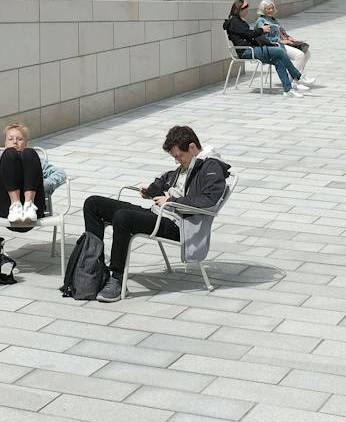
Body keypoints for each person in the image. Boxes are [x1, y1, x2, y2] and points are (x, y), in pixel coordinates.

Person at [78, 125, 231, 303]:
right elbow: (168, 178)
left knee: (123, 218)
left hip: (179, 225)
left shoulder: (211, 167)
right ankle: (93, 270)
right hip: (159, 214)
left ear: (192, 147)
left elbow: (209, 200)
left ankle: (117, 279)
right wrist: (151, 191)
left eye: (178, 156)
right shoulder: (187, 164)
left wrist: (173, 202)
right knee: (93, 203)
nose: (177, 161)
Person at [222, 0, 311, 95]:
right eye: (245, 8)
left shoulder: (238, 21)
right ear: (239, 9)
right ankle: (298, 76)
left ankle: (288, 89)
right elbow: (249, 34)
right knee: (280, 51)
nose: (247, 10)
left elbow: (248, 35)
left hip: (252, 49)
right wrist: (262, 30)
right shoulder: (234, 22)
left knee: (278, 60)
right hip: (246, 51)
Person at [0, 122, 50, 229]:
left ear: (25, 143)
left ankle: (29, 205)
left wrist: (43, 183)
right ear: (5, 143)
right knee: (10, 154)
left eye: (19, 139)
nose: (15, 142)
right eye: (10, 139)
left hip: (34, 208)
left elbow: (59, 174)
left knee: (29, 153)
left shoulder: (35, 160)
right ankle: (15, 205)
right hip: (6, 206)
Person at [254, 0, 317, 81]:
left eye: (272, 8)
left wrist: (289, 38)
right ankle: (294, 80)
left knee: (307, 53)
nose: (271, 10)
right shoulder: (262, 21)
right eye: (268, 9)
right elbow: (263, 39)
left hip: (283, 43)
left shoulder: (273, 20)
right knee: (300, 55)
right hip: (274, 46)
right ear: (263, 10)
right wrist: (280, 41)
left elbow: (282, 33)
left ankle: (297, 78)